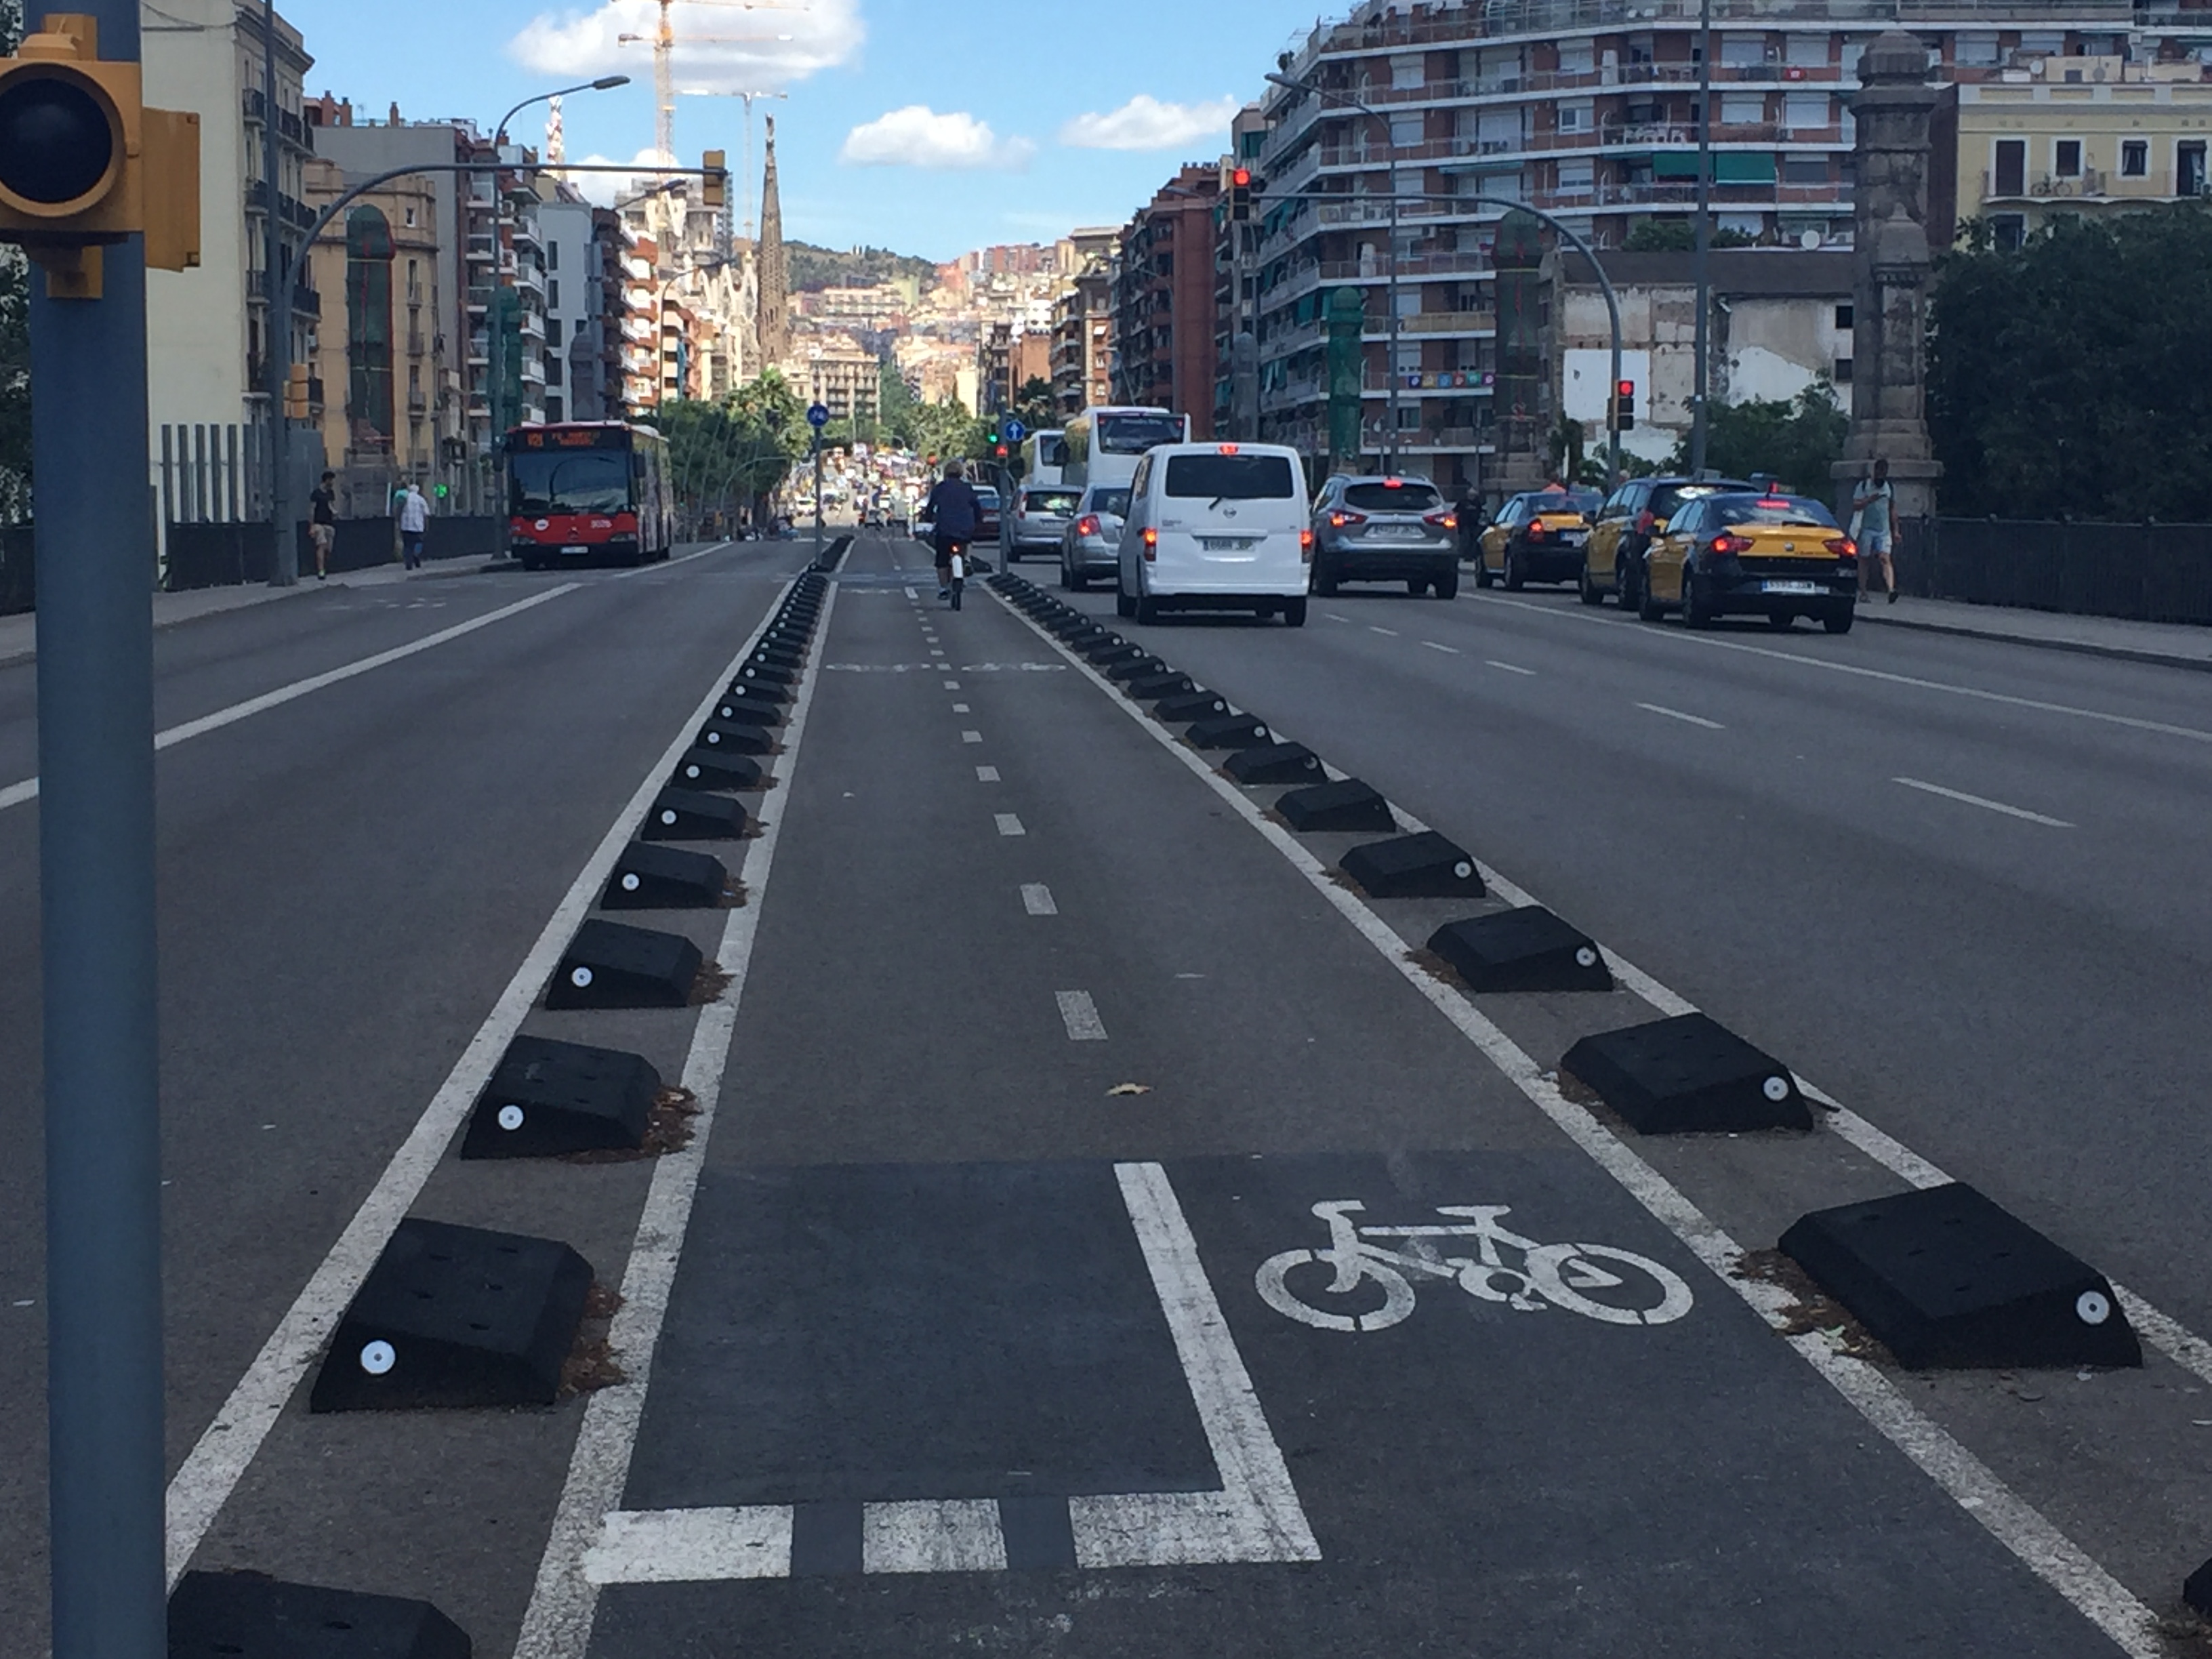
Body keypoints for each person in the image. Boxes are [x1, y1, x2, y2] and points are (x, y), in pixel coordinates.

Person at [924, 459, 980, 605]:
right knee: (967, 541)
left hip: (945, 529)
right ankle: (966, 559)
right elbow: (976, 506)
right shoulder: (967, 488)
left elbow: (930, 508)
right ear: (961, 472)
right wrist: (978, 521)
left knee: (942, 560)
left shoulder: (940, 489)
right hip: (965, 528)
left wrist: (928, 518)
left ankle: (944, 588)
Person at [1852, 457, 1898, 603]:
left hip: (1883, 530)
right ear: (1875, 472)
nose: (1881, 476)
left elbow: (1892, 509)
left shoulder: (1889, 487)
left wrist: (1896, 530)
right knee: (1864, 560)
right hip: (1866, 529)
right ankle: (1863, 592)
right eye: (1879, 472)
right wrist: (1869, 500)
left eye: (1884, 473)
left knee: (1885, 558)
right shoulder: (1864, 486)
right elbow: (1855, 505)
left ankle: (1891, 590)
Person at [309, 470, 337, 581]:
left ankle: (323, 566)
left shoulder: (331, 493)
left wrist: (335, 512)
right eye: (331, 480)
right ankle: (321, 571)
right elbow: (311, 509)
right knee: (322, 545)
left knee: (328, 549)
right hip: (318, 523)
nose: (332, 483)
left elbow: (331, 505)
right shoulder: (316, 494)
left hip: (329, 524)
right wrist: (311, 526)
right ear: (327, 480)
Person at [397, 481, 429, 571]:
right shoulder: (421, 500)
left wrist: (398, 522)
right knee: (418, 543)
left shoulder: (405, 499)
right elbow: (426, 514)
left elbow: (399, 510)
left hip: (406, 526)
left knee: (407, 545)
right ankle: (416, 556)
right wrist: (426, 526)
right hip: (418, 526)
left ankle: (409, 563)